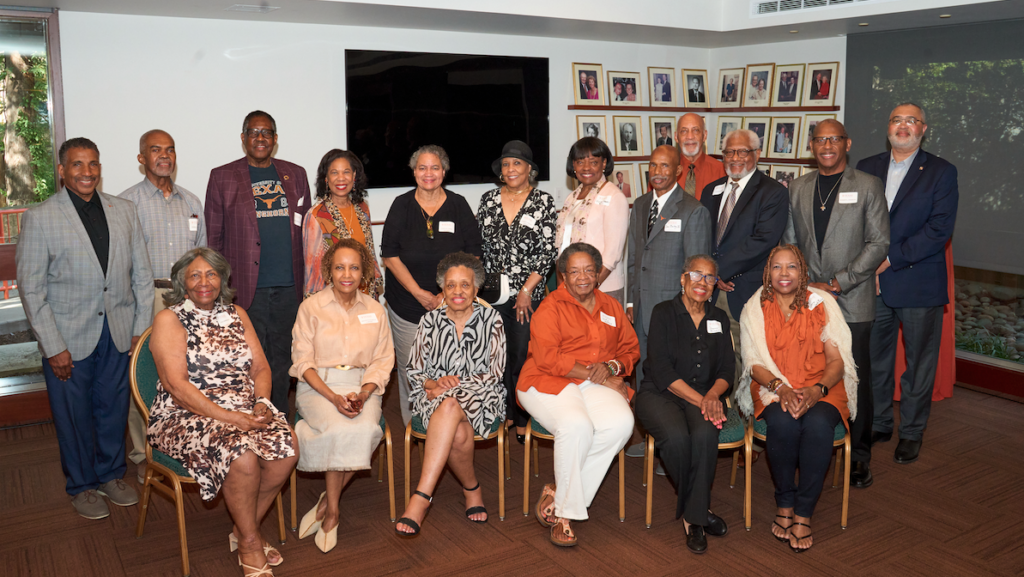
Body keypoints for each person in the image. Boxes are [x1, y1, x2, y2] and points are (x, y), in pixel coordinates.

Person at [17, 137, 154, 519]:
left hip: (118, 331)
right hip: (67, 338)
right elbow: (31, 288)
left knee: (112, 409)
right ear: (62, 171)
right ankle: (82, 485)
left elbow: (141, 275)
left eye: (93, 164)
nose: (87, 172)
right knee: (73, 415)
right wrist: (52, 345)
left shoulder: (123, 210)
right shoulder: (41, 217)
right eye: (77, 165)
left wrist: (140, 329)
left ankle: (111, 475)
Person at [148, 247, 297, 576]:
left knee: (287, 450)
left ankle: (245, 530)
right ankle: (251, 543)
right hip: (185, 414)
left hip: (243, 407)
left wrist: (261, 403)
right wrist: (232, 418)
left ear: (223, 279)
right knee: (241, 458)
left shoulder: (237, 314)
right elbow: (176, 386)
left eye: (212, 274)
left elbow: (261, 367)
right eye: (195, 275)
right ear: (181, 283)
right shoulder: (169, 318)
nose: (205, 281)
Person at [783, 119, 889, 488]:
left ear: (847, 143)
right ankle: (813, 443)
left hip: (852, 299)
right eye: (820, 140)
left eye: (834, 139)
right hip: (809, 301)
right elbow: (792, 241)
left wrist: (835, 283)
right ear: (812, 146)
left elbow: (878, 244)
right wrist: (802, 286)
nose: (827, 145)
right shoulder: (798, 187)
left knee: (855, 377)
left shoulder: (868, 185)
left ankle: (859, 455)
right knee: (809, 371)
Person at [737, 244, 858, 553]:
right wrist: (782, 389)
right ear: (767, 272)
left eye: (792, 267)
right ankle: (785, 503)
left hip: (823, 388)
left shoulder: (822, 304)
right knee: (785, 425)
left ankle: (803, 512)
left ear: (803, 272)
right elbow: (754, 364)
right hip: (774, 389)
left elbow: (836, 360)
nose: (784, 273)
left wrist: (817, 391)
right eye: (777, 267)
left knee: (817, 428)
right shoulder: (755, 308)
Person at [517, 243, 640, 547]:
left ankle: (560, 493)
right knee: (576, 425)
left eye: (589, 270)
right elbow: (548, 359)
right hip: (546, 381)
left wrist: (611, 367)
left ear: (598, 274)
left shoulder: (610, 306)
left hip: (594, 381)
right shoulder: (550, 307)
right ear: (563, 276)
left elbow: (630, 349)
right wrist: (597, 375)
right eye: (574, 271)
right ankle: (566, 516)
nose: (582, 277)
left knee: (621, 424)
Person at [856, 102, 958, 465]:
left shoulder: (941, 172)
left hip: (916, 282)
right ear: (888, 127)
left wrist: (889, 259)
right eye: (897, 120)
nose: (903, 126)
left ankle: (912, 432)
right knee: (874, 360)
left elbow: (938, 230)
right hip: (874, 285)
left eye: (911, 121)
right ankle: (881, 421)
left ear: (923, 129)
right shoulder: (866, 168)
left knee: (918, 365)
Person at [205, 110, 312, 414]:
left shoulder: (296, 174)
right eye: (254, 132)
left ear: (275, 140)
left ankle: (277, 421)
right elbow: (214, 241)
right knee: (248, 359)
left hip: (289, 287)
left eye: (267, 133)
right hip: (244, 289)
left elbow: (307, 230)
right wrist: (219, 292)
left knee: (283, 360)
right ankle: (248, 420)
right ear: (243, 139)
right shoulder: (222, 176)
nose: (260, 138)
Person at [291, 239, 394, 553]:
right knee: (339, 428)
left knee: (365, 428)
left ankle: (327, 502)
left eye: (354, 267)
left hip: (362, 385)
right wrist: (333, 398)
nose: (346, 274)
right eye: (339, 267)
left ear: (364, 272)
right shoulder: (311, 307)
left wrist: (363, 394)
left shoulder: (376, 310)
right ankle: (333, 511)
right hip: (318, 386)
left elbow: (382, 360)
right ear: (328, 271)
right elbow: (302, 361)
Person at [395, 252, 507, 536]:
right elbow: (414, 370)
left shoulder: (492, 319)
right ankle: (472, 490)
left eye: (465, 285)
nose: (458, 291)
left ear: (476, 288)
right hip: (433, 396)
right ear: (442, 289)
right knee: (455, 428)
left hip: (482, 397)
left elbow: (494, 372)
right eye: (451, 285)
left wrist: (446, 385)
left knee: (449, 404)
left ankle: (421, 499)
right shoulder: (429, 321)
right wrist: (432, 383)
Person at [119, 129, 206, 483]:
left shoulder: (191, 202)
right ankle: (144, 452)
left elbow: (202, 253)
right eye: (155, 150)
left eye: (169, 150)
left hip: (187, 298)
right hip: (147, 296)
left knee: (187, 373)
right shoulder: (127, 204)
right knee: (145, 375)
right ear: (142, 158)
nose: (164, 156)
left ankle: (183, 443)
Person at [634, 255, 733, 553]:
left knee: (704, 435)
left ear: (716, 284)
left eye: (709, 278)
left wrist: (713, 396)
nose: (702, 283)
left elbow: (728, 368)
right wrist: (705, 400)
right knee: (677, 439)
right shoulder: (663, 312)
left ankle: (693, 517)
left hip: (706, 394)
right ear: (682, 278)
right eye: (696, 275)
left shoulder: (719, 318)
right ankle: (699, 513)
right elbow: (662, 370)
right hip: (659, 393)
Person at [381, 145, 484, 425]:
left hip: (453, 306)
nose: (429, 173)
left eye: (435, 167)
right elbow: (389, 256)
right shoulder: (401, 205)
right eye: (422, 167)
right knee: (412, 370)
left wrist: (445, 295)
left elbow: (473, 254)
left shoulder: (459, 204)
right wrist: (419, 294)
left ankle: (447, 424)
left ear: (444, 171)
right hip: (407, 307)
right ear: (414, 171)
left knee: (451, 367)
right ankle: (416, 427)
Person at [477, 141, 557, 443]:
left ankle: (524, 418)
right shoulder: (487, 200)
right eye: (507, 164)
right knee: (495, 355)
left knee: (522, 356)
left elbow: (548, 252)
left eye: (518, 164)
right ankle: (503, 414)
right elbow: (479, 248)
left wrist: (525, 290)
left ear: (530, 170)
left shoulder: (543, 202)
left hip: (529, 294)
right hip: (491, 296)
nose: (511, 169)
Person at [701, 129, 789, 382]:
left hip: (744, 290)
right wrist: (709, 276)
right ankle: (723, 416)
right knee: (714, 357)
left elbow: (762, 240)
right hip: (710, 290)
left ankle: (749, 419)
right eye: (729, 152)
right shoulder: (711, 191)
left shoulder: (772, 192)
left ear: (757, 154)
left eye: (742, 151)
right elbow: (701, 237)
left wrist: (717, 272)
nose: (735, 157)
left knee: (748, 358)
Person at [627, 145, 712, 385]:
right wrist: (632, 301)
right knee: (643, 369)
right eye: (653, 164)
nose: (657, 171)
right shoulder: (641, 204)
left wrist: (689, 311)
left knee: (671, 372)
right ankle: (643, 416)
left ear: (678, 170)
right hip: (641, 306)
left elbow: (697, 272)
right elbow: (634, 256)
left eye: (665, 165)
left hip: (673, 309)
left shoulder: (693, 210)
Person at [301, 149, 383, 299]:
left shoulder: (362, 208)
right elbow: (313, 271)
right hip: (334, 300)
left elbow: (369, 252)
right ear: (326, 178)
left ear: (354, 176)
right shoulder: (317, 215)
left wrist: (376, 284)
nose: (341, 178)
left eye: (346, 172)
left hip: (366, 295)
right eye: (334, 172)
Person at [556, 137, 629, 304]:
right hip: (572, 287)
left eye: (593, 162)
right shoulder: (572, 197)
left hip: (602, 287)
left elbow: (613, 254)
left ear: (604, 164)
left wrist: (589, 287)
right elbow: (562, 247)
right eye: (580, 162)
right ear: (573, 165)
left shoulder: (614, 196)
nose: (586, 167)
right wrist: (563, 286)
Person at [675, 113, 727, 200]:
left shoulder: (721, 170)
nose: (690, 137)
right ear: (676, 137)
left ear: (704, 135)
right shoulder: (665, 170)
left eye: (696, 130)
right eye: (684, 131)